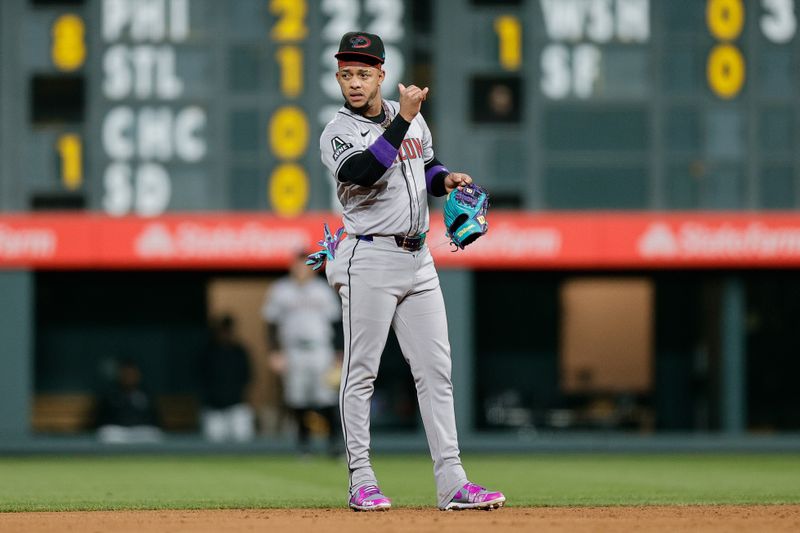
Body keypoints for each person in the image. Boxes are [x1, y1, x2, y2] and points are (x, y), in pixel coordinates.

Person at [318, 32, 506, 511]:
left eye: (363, 73)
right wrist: (402, 118)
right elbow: (364, 171)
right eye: (346, 73)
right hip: (369, 257)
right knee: (361, 373)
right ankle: (361, 480)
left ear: (381, 74)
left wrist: (447, 179)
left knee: (436, 372)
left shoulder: (411, 120)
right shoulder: (337, 130)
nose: (354, 82)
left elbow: (424, 167)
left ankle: (452, 484)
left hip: (419, 259)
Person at [262, 251, 342, 456]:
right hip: (293, 349)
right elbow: (270, 323)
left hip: (320, 349)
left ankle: (334, 445)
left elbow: (337, 322)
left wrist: (339, 352)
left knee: (326, 398)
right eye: (297, 265)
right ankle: (304, 446)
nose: (300, 269)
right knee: (297, 399)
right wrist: (274, 352)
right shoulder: (281, 290)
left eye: (305, 265)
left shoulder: (322, 290)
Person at [199, 315, 255, 442]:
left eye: (227, 330)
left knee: (244, 442)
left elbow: (248, 377)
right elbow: (200, 377)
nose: (225, 334)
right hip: (214, 407)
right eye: (222, 330)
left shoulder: (239, 352)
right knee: (213, 446)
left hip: (237, 405)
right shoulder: (208, 352)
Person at [95, 358, 163, 444]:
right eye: (126, 374)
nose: (129, 377)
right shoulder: (110, 394)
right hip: (117, 432)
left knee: (154, 434)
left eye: (131, 374)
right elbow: (102, 420)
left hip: (140, 431)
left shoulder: (145, 394)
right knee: (106, 434)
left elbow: (154, 419)